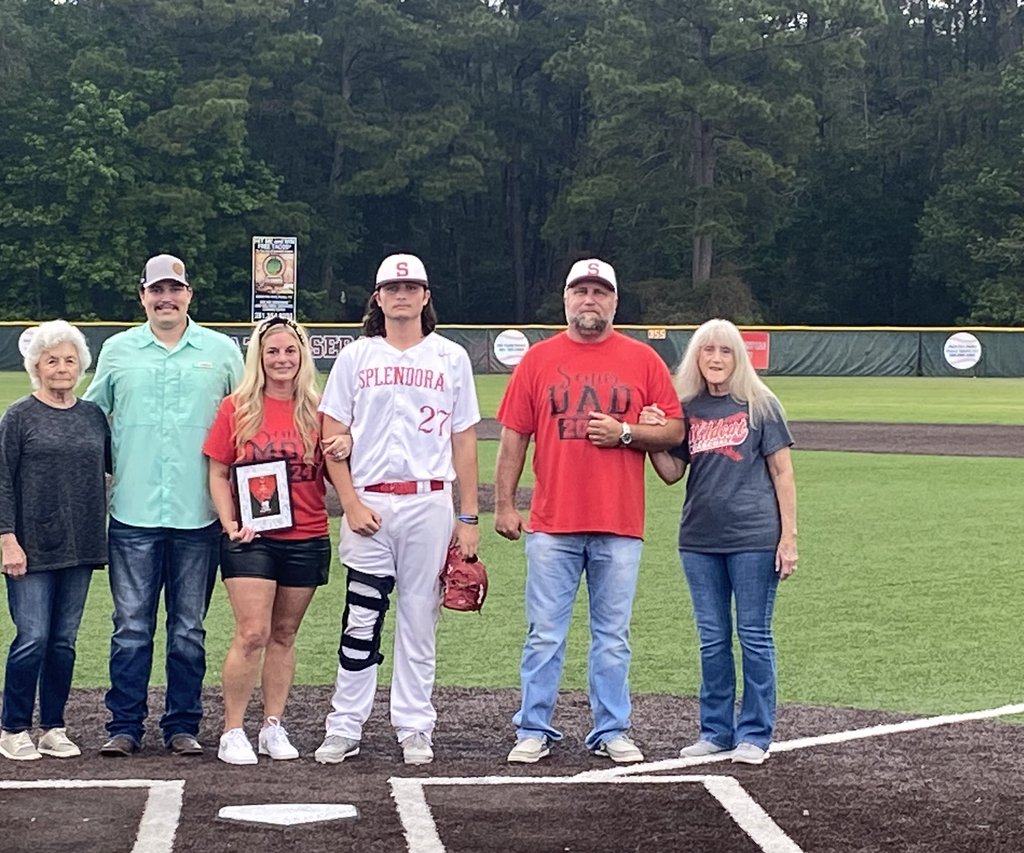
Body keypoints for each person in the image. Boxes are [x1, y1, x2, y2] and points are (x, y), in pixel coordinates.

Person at [494, 258, 685, 765]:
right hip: (553, 521)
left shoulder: (643, 360)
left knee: (612, 638)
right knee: (545, 634)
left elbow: (674, 432)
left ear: (615, 302)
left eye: (600, 292)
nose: (590, 300)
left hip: (619, 522)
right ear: (566, 299)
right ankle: (533, 727)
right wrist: (505, 503)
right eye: (581, 291)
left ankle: (611, 728)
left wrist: (629, 433)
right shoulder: (538, 360)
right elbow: (514, 435)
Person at [312, 253, 480, 766]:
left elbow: (465, 440)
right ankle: (345, 724)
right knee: (361, 616)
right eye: (392, 287)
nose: (402, 295)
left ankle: (414, 724)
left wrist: (468, 517)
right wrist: (349, 501)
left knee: (419, 618)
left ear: (426, 296)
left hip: (429, 500)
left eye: (411, 287)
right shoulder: (356, 356)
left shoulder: (451, 357)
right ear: (379, 297)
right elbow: (330, 435)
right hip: (370, 501)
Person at [83, 253, 244, 757]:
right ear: (143, 295)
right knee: (130, 626)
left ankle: (182, 725)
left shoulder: (219, 352)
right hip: (132, 513)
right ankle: (124, 726)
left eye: (175, 289)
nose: (166, 298)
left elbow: (248, 418)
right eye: (157, 290)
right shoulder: (118, 350)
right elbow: (89, 418)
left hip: (199, 515)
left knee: (188, 629)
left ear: (189, 294)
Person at [641, 318, 798, 766]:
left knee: (753, 636)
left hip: (753, 537)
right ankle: (715, 730)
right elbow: (672, 474)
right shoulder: (687, 408)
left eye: (725, 351)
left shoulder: (761, 405)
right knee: (712, 639)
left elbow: (782, 474)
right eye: (707, 350)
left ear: (738, 357)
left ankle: (754, 733)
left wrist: (788, 538)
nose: (715, 358)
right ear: (696, 356)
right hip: (699, 539)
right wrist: (652, 436)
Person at [202, 317, 352, 764]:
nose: (282, 359)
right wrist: (229, 524)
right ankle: (232, 730)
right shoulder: (238, 406)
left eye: (290, 351)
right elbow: (218, 471)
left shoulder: (320, 409)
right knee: (252, 633)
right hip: (251, 538)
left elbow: (337, 471)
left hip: (306, 534)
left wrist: (346, 443)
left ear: (303, 355)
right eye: (273, 352)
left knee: (284, 634)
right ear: (259, 357)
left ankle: (272, 725)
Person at [0, 320, 110, 761]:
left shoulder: (92, 416)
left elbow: (110, 471)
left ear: (81, 366)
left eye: (70, 360)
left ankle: (53, 727)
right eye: (52, 360)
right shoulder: (19, 417)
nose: (61, 368)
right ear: (36, 366)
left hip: (81, 546)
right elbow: (0, 482)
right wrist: (7, 538)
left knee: (64, 641)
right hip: (31, 547)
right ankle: (13, 728)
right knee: (32, 637)